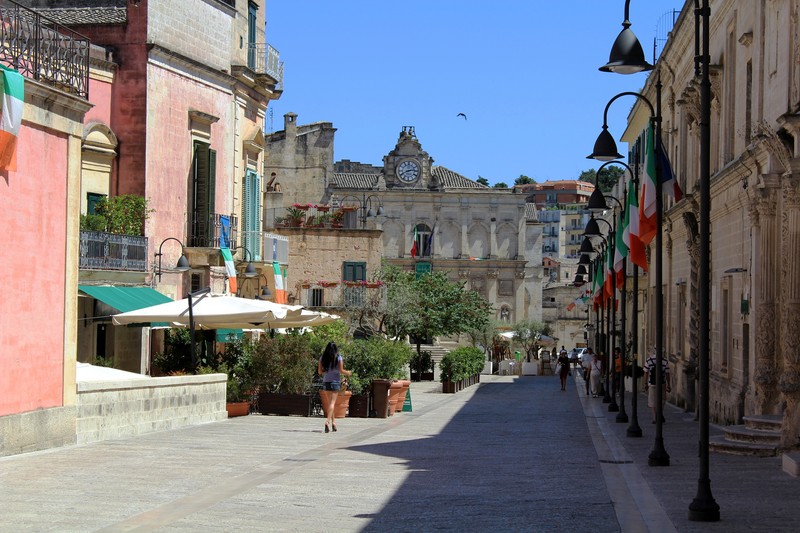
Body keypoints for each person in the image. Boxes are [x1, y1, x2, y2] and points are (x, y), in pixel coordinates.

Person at [318, 341, 352, 433]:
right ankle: (327, 421)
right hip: (335, 382)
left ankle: (334, 423)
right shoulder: (338, 358)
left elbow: (320, 372)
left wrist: (326, 371)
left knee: (330, 404)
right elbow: (341, 370)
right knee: (332, 404)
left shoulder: (322, 358)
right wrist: (348, 373)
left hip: (326, 381)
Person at [643, 347, 671, 424]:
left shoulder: (648, 360)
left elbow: (646, 373)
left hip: (652, 383)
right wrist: (668, 384)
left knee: (652, 400)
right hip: (662, 383)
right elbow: (667, 373)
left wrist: (645, 383)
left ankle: (655, 417)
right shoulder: (665, 361)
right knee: (662, 399)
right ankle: (660, 413)